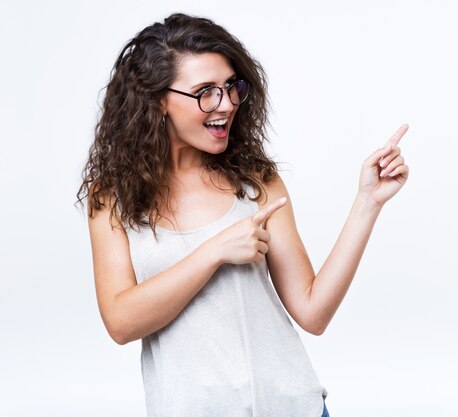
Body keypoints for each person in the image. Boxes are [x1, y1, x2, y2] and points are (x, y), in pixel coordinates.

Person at [76, 12, 409, 417]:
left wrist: (367, 203)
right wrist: (213, 251)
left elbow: (313, 311)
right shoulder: (113, 198)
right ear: (157, 100)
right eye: (205, 92)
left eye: (231, 87)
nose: (227, 104)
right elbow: (121, 322)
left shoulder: (256, 182)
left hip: (295, 406)